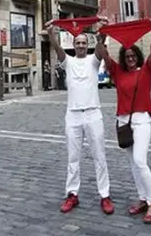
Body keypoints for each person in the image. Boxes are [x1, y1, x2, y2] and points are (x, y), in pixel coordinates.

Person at [45, 21, 114, 215]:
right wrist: (51, 34)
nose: (81, 46)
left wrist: (102, 31)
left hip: (93, 113)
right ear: (74, 45)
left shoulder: (93, 61)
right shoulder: (68, 61)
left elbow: (100, 48)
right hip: (73, 114)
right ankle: (72, 194)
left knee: (99, 156)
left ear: (87, 44)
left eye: (84, 43)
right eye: (78, 43)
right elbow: (57, 49)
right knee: (73, 158)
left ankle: (105, 195)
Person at [96, 35, 151, 224]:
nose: (130, 59)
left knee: (140, 161)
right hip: (124, 122)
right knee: (133, 163)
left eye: (133, 56)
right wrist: (100, 38)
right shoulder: (118, 72)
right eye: (127, 56)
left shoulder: (146, 70)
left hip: (142, 120)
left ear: (138, 56)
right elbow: (104, 55)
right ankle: (142, 198)